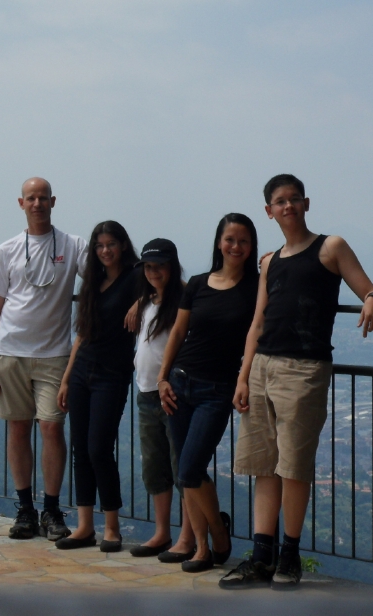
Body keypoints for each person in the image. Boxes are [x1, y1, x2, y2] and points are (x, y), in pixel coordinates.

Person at [219, 174, 373, 590]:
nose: (288, 206)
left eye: (294, 199)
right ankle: (261, 557)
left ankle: (288, 557)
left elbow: (368, 288)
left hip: (304, 368)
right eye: (280, 201)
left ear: (306, 204)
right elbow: (258, 322)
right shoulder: (270, 262)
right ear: (269, 211)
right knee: (264, 466)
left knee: (293, 466)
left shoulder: (330, 247)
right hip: (262, 367)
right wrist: (243, 376)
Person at [0, 177, 87, 541]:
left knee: (52, 427)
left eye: (43, 197)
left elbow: (106, 273)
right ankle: (25, 509)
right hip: (10, 353)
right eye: (31, 198)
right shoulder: (7, 249)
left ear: (53, 202)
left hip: (54, 354)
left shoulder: (73, 245)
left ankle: (52, 509)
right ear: (21, 203)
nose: (37, 203)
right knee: (18, 428)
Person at [158, 214, 259, 573]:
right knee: (187, 471)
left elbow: (256, 334)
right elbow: (177, 332)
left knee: (189, 469)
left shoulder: (256, 287)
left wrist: (244, 378)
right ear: (219, 242)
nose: (235, 246)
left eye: (243, 240)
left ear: (251, 246)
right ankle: (202, 546)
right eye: (230, 239)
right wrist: (162, 378)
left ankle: (218, 530)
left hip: (218, 390)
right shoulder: (199, 284)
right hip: (180, 383)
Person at [55, 221, 139, 552]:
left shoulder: (136, 276)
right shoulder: (93, 281)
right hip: (82, 371)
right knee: (80, 449)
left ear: (123, 245)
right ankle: (85, 526)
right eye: (100, 245)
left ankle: (112, 528)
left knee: (99, 449)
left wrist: (141, 302)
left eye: (111, 244)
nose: (105, 251)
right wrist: (66, 378)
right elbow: (82, 333)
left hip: (112, 374)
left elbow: (174, 284)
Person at [129, 239, 195, 559]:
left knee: (181, 465)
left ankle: (188, 536)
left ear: (172, 266)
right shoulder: (147, 301)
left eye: (160, 266)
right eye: (148, 267)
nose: (153, 272)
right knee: (154, 467)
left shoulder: (184, 301)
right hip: (145, 393)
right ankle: (162, 532)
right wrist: (140, 300)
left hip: (173, 393)